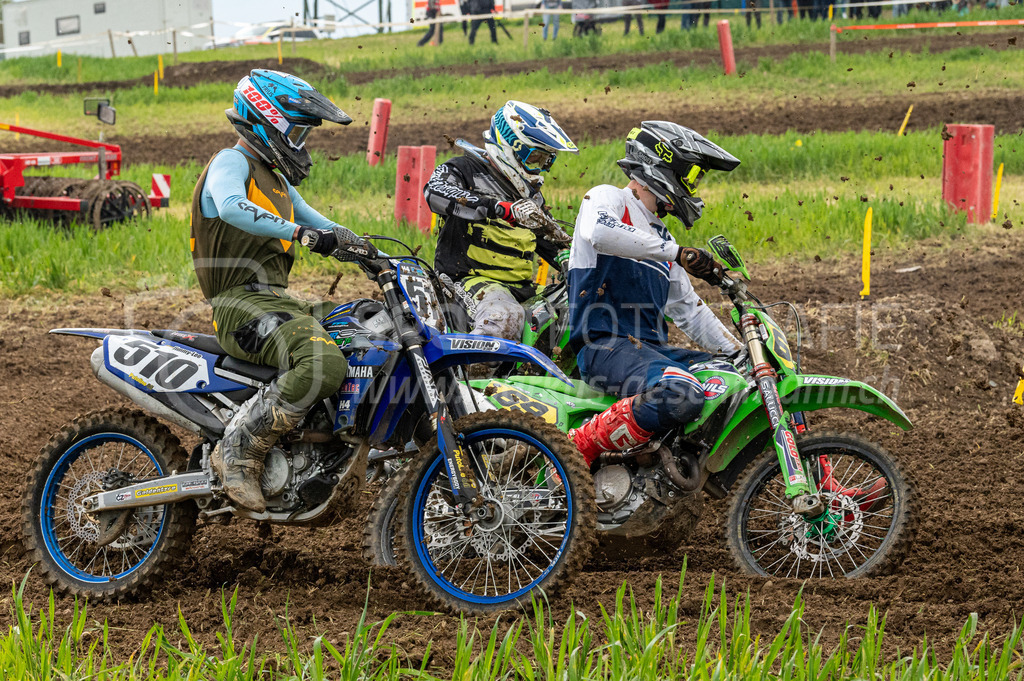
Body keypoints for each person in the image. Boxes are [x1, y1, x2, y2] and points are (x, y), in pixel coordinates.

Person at [190, 69, 377, 511]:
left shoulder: (277, 180)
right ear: (264, 119)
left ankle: (321, 444)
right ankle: (239, 451)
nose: (300, 140)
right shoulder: (230, 162)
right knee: (320, 362)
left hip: (275, 300)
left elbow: (323, 223)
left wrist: (369, 252)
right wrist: (301, 234)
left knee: (366, 328)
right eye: (294, 130)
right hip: (238, 303)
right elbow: (234, 207)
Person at [567, 121, 744, 467]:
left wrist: (740, 353)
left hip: (649, 351)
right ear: (663, 164)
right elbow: (601, 233)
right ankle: (578, 446)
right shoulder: (609, 198)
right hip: (604, 345)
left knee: (731, 379)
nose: (693, 187)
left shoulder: (661, 238)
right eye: (691, 176)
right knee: (682, 392)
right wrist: (675, 252)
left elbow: (690, 311)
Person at [424, 101, 577, 340]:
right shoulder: (463, 169)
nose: (538, 168)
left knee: (574, 311)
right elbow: (434, 192)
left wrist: (572, 258)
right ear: (511, 146)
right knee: (505, 316)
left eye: (544, 161)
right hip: (464, 283)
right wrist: (499, 208)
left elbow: (550, 240)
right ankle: (475, 373)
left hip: (522, 289)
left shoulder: (531, 195)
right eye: (534, 157)